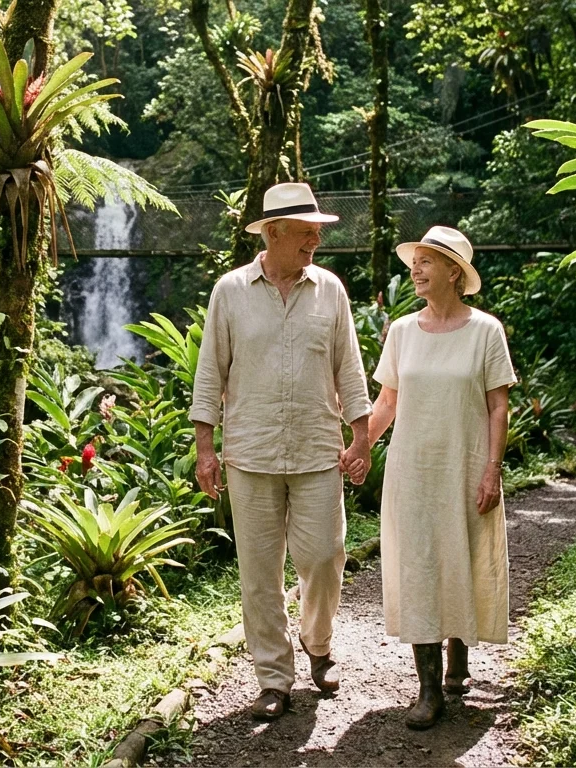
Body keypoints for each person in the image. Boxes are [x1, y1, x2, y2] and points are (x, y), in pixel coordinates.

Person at [190, 182, 373, 721]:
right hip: (251, 452)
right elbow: (209, 373)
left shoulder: (330, 290)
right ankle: (273, 676)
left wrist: (360, 435)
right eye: (307, 232)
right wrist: (207, 449)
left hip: (318, 449)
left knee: (324, 557)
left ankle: (318, 643)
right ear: (273, 233)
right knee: (259, 573)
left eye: (319, 231)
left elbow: (350, 367)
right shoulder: (230, 291)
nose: (316, 239)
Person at [364, 225, 515, 730]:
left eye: (427, 261)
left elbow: (498, 406)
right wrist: (359, 443)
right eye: (415, 262)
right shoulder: (403, 331)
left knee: (461, 557)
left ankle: (459, 658)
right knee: (422, 565)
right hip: (413, 470)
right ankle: (429, 690)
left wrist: (493, 469)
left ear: (455, 272)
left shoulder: (485, 331)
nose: (416, 269)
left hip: (466, 464)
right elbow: (388, 401)